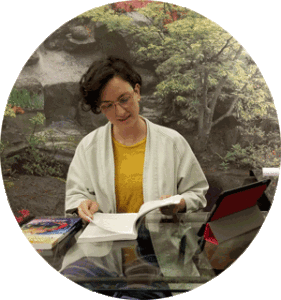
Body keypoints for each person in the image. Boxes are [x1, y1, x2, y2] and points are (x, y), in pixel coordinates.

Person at [65, 56, 208, 222]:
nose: (120, 112)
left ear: (137, 92)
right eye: (108, 105)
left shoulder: (172, 142)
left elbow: (197, 192)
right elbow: (75, 196)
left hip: (161, 244)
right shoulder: (89, 147)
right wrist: (82, 204)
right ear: (100, 108)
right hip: (108, 245)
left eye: (124, 99)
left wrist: (180, 203)